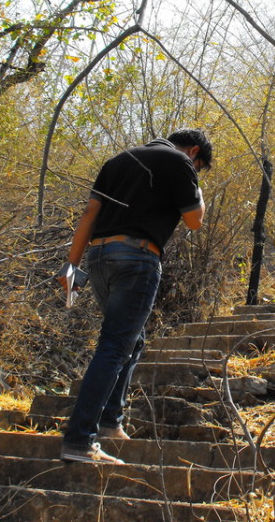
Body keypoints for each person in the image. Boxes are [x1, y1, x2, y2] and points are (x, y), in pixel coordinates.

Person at [57, 128, 212, 464]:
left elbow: (88, 215)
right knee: (114, 345)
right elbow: (194, 221)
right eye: (198, 167)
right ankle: (80, 439)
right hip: (137, 257)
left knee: (132, 340)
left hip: (97, 259)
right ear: (194, 152)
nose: (195, 171)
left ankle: (111, 421)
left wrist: (71, 267)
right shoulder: (180, 161)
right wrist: (196, 185)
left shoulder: (118, 160)